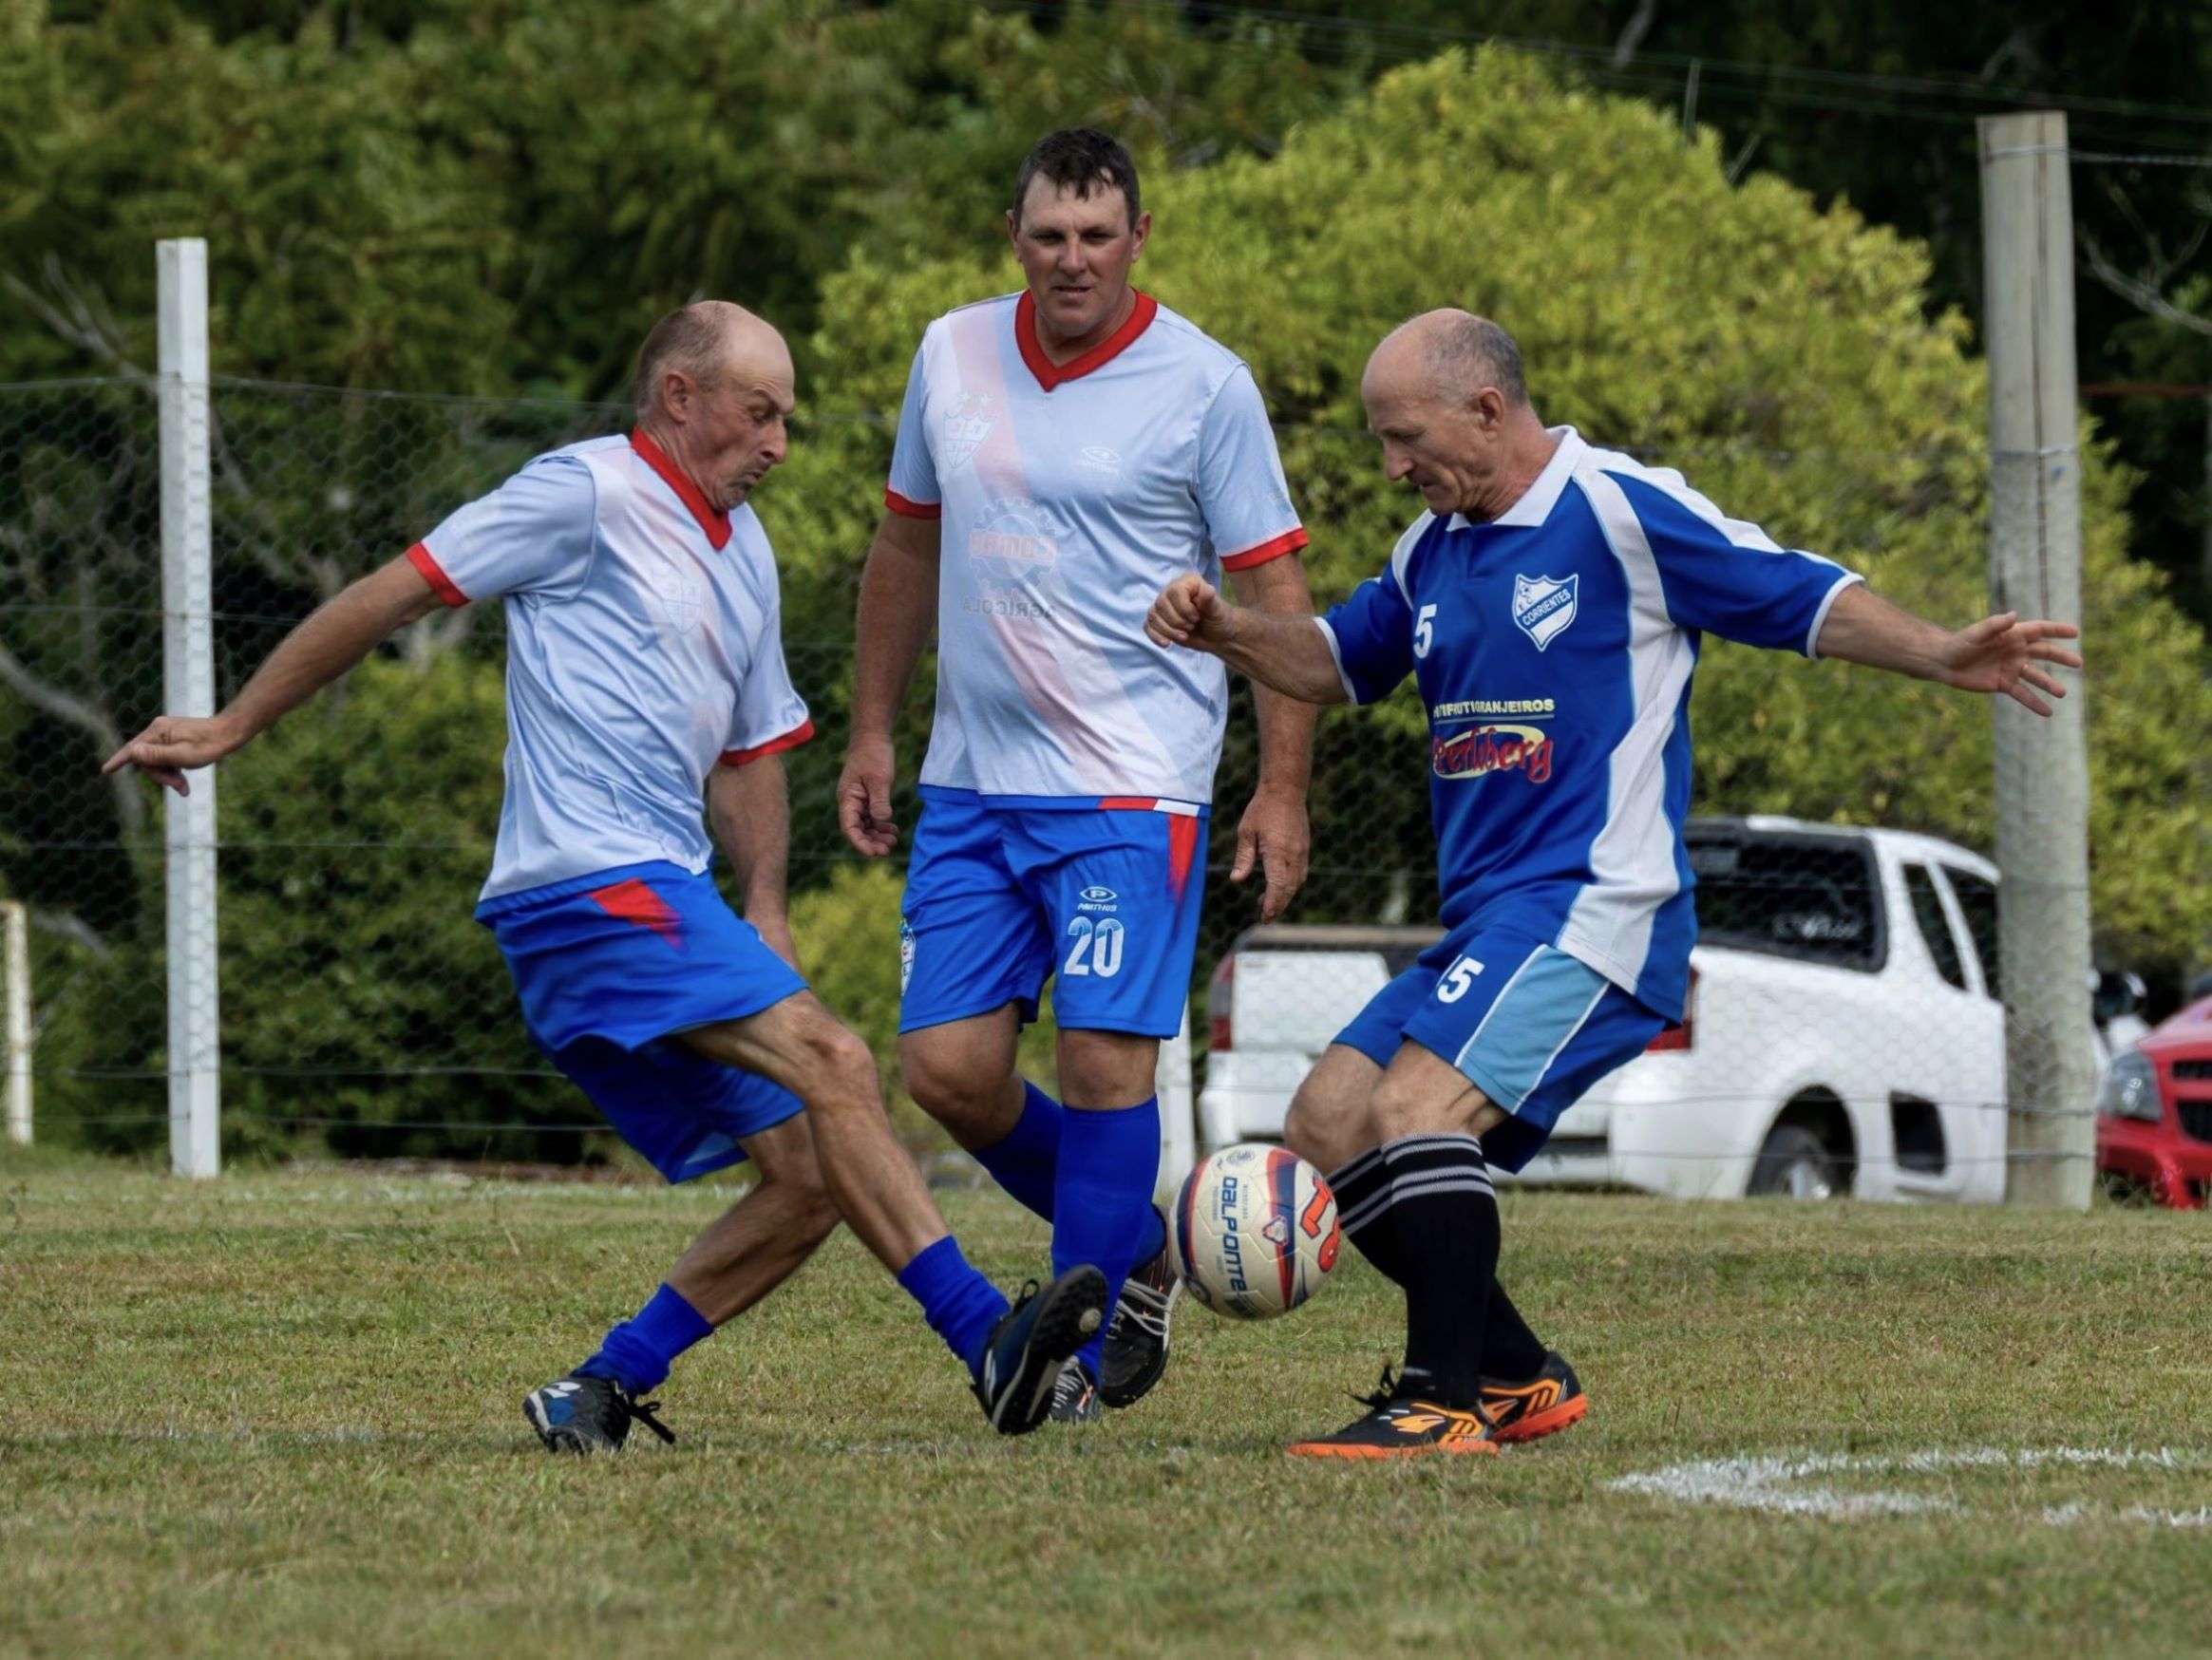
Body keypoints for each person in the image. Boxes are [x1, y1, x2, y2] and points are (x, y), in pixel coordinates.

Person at [104, 301, 1106, 1450]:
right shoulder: (580, 492)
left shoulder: (750, 552)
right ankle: (988, 1338)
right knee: (836, 1060)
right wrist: (234, 724)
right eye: (759, 411)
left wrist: (767, 907)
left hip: (658, 895)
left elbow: (748, 753)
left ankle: (597, 1388)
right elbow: (398, 589)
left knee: (809, 1175)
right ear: (680, 397)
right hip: (585, 886)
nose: (779, 442)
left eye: (788, 417)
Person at [1144, 309, 2083, 1459]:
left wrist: (1940, 650)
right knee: (1327, 1120)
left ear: (1487, 411)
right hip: (1494, 919)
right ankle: (1516, 1372)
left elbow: (1799, 593)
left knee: (1412, 1110)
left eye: (1403, 437)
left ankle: (1442, 1402)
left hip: (1597, 907)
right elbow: (1339, 662)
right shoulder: (1428, 547)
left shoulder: (1619, 510)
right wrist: (1226, 630)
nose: (1392, 465)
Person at [838, 129, 1318, 1421]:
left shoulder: (1205, 384)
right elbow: (902, 548)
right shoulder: (947, 352)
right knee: (946, 1070)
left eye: (1096, 237)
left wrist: (1281, 790)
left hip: (1131, 783)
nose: (1072, 260)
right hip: (973, 784)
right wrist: (873, 730)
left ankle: (1077, 1352)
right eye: (1049, 236)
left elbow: (1275, 591)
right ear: (1015, 238)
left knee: (1107, 1067)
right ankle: (1141, 1251)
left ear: (1137, 239)